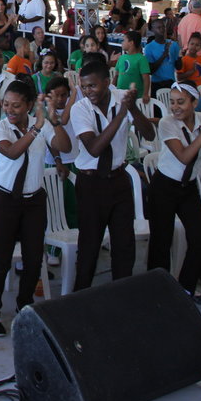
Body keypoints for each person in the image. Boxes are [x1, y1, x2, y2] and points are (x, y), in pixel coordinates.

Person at [0, 81, 70, 334]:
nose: (10, 109)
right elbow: (11, 153)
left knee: (33, 258)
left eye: (16, 105)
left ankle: (25, 305)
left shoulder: (39, 122)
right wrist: (36, 128)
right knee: (1, 259)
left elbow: (65, 147)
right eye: (6, 104)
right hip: (4, 200)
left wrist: (52, 121)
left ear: (29, 105)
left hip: (33, 201)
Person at [70, 62, 155, 291]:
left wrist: (133, 108)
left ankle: (121, 293)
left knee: (124, 243)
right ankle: (80, 296)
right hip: (90, 182)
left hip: (118, 178)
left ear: (107, 83)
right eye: (84, 87)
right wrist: (122, 114)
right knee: (89, 244)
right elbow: (95, 148)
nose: (88, 91)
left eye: (93, 86)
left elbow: (149, 133)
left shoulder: (122, 98)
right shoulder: (80, 109)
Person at [146, 84, 201, 304]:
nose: (175, 107)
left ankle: (186, 288)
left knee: (200, 239)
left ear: (194, 102)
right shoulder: (167, 123)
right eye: (172, 101)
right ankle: (157, 291)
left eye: (181, 102)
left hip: (189, 187)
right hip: (164, 186)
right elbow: (184, 156)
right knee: (161, 242)